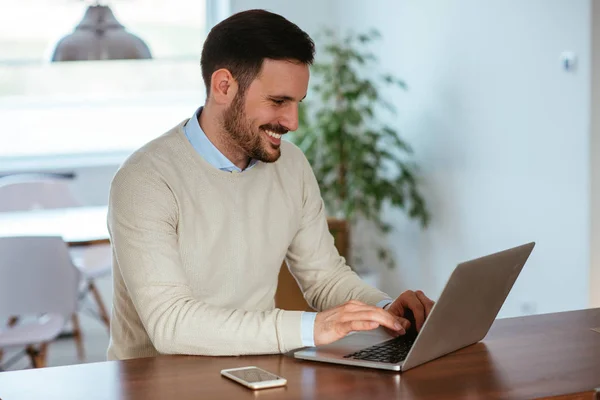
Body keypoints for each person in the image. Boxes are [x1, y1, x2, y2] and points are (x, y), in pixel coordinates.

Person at [107, 9, 434, 361]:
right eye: (278, 102)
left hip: (254, 375)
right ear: (224, 86)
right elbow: (171, 325)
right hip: (155, 386)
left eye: (297, 103)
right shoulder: (145, 180)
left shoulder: (291, 167)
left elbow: (324, 277)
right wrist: (312, 328)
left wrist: (384, 309)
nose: (292, 122)